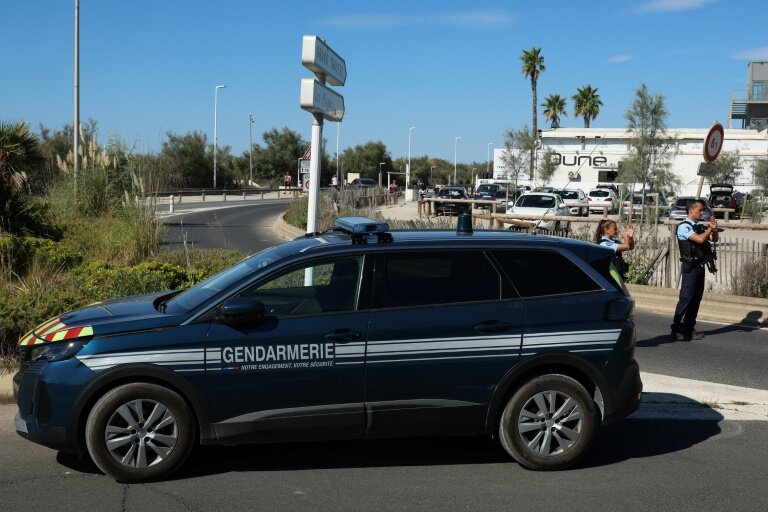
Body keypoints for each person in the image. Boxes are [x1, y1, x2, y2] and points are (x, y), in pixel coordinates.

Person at [672, 199, 719, 341]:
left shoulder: (698, 225)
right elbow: (699, 240)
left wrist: (714, 228)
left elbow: (713, 239)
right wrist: (709, 229)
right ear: (691, 210)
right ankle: (676, 328)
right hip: (690, 267)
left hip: (699, 266)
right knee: (686, 298)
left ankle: (689, 327)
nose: (702, 212)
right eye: (700, 210)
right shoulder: (684, 227)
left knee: (696, 299)